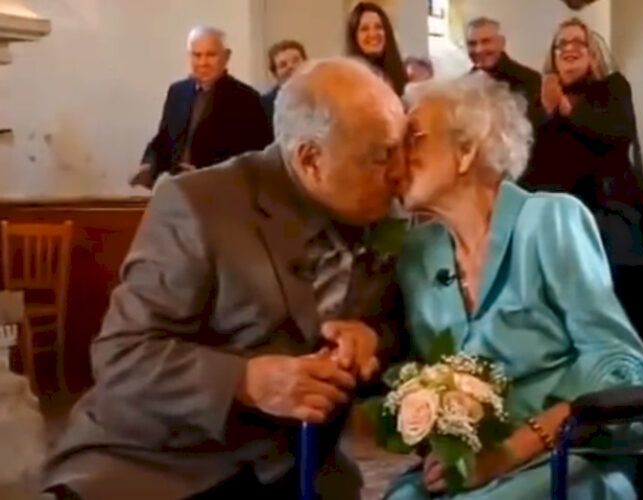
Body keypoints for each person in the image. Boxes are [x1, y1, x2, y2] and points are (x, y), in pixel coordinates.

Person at [42, 58, 406, 500]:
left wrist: (373, 340)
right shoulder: (201, 204)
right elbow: (122, 354)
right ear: (311, 159)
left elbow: (399, 329)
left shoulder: (387, 216)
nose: (400, 171)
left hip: (294, 465)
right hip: (159, 462)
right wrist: (244, 381)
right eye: (381, 156)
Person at [386, 73, 643, 499]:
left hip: (571, 457)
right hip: (476, 468)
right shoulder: (417, 254)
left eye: (414, 137)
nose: (397, 157)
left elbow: (620, 363)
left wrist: (507, 453)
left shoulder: (549, 221)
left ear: (466, 149)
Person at [521, 18, 643, 265]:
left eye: (579, 42)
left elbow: (617, 136)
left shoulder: (613, 88)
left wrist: (568, 111)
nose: (570, 48)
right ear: (553, 57)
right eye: (562, 44)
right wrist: (546, 111)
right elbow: (529, 160)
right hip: (556, 214)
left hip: (607, 210)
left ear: (593, 56)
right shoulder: (540, 101)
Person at [129, 26, 273, 189]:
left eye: (211, 55)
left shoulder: (247, 98)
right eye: (197, 55)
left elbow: (252, 156)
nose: (203, 62)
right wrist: (148, 165)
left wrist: (205, 174)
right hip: (176, 189)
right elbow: (163, 139)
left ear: (226, 57)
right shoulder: (177, 92)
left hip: (220, 193)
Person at [465, 16, 543, 127]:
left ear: (501, 43)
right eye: (472, 44)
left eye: (486, 41)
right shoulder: (463, 85)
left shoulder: (530, 80)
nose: (479, 49)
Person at [346, 1, 408, 95]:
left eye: (378, 27)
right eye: (364, 29)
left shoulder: (399, 74)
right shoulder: (347, 77)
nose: (372, 34)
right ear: (354, 36)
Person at [261, 40, 308, 128]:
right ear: (275, 74)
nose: (291, 66)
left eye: (296, 60)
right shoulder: (264, 106)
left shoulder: (324, 98)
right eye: (283, 65)